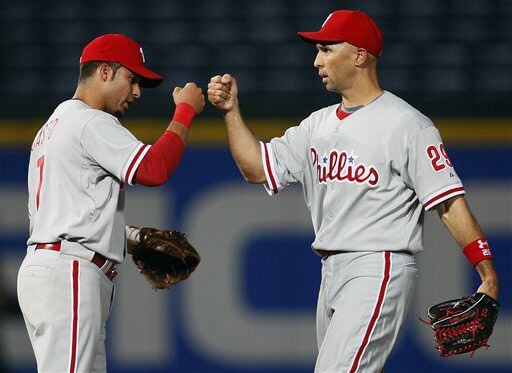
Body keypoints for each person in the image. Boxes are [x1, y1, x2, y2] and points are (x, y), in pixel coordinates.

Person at [207, 10, 499, 372]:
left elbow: (449, 203)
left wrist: (487, 274)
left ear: (359, 55)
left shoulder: (408, 125)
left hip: (377, 266)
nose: (317, 61)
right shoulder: (317, 124)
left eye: (327, 49)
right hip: (330, 271)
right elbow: (256, 169)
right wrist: (231, 113)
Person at [17, 33, 205, 372]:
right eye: (132, 79)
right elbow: (153, 169)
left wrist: (130, 238)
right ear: (104, 72)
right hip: (70, 272)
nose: (136, 92)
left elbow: (68, 215)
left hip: (55, 266)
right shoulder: (90, 121)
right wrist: (185, 112)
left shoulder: (52, 126)